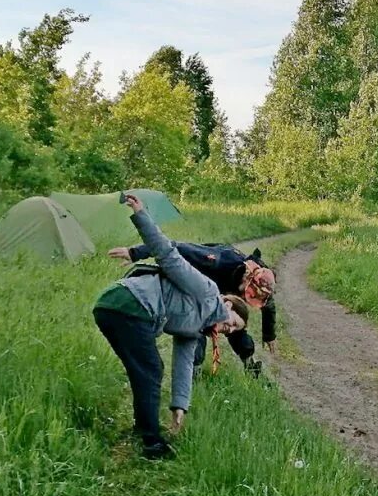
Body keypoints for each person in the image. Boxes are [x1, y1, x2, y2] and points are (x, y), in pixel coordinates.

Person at [94, 194, 249, 459]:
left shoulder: (196, 329)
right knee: (151, 369)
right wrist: (141, 215)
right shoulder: (207, 292)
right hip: (127, 303)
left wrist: (180, 407)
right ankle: (152, 443)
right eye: (233, 324)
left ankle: (143, 430)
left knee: (144, 370)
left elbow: (184, 365)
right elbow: (168, 255)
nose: (229, 331)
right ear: (229, 306)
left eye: (234, 332)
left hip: (117, 310)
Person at [109, 240, 275, 375]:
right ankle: (192, 372)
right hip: (192, 289)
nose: (248, 298)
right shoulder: (219, 261)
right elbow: (176, 247)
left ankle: (250, 365)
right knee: (196, 331)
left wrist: (269, 334)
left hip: (219, 295)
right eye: (248, 293)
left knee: (235, 325)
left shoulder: (261, 278)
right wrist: (135, 252)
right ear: (247, 278)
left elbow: (269, 304)